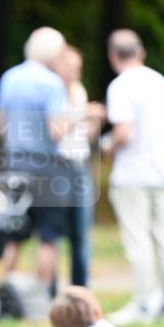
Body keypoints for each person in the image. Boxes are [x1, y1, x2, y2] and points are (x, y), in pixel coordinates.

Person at [102, 29, 164, 325]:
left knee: (138, 241)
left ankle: (143, 304)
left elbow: (124, 131)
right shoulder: (160, 82)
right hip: (160, 171)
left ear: (113, 56)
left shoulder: (121, 86)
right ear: (141, 53)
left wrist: (106, 145)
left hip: (132, 174)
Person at [0, 28, 72, 292]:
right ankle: (42, 298)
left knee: (14, 233)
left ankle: (1, 292)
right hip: (46, 166)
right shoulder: (52, 83)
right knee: (47, 237)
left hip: (14, 164)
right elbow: (56, 130)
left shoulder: (10, 77)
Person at [55, 46, 104, 286]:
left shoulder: (78, 91)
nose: (75, 72)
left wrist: (94, 120)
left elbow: (85, 136)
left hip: (80, 165)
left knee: (81, 232)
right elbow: (57, 131)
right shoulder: (52, 91)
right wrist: (82, 115)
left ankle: (81, 287)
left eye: (78, 68)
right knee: (53, 233)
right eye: (71, 67)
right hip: (58, 166)